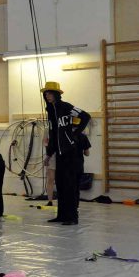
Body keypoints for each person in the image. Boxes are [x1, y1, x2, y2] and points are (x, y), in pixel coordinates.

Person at [42, 81, 91, 225]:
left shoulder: (66, 107)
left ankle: (72, 217)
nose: (47, 95)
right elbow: (52, 135)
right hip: (60, 155)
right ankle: (62, 215)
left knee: (70, 186)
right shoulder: (50, 112)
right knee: (61, 185)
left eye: (50, 93)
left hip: (72, 154)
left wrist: (75, 133)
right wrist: (48, 154)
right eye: (45, 93)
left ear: (56, 94)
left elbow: (86, 116)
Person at [73, 117, 91, 209]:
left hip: (65, 165)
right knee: (76, 188)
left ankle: (66, 207)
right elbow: (87, 153)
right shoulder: (83, 136)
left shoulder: (64, 135)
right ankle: (75, 206)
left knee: (66, 187)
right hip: (78, 165)